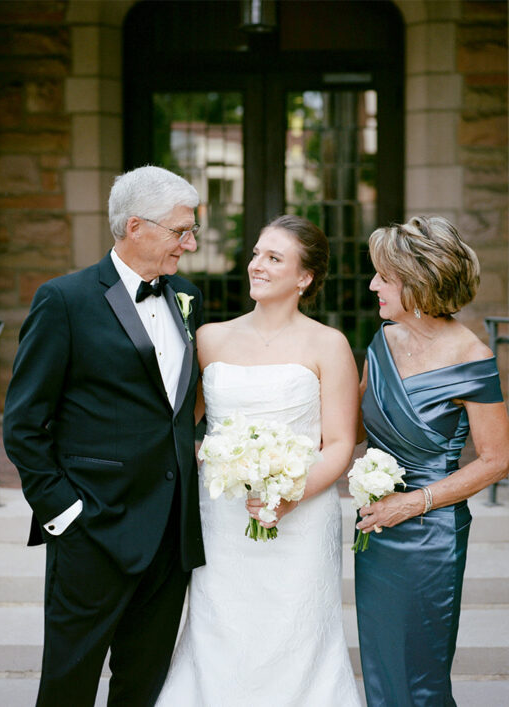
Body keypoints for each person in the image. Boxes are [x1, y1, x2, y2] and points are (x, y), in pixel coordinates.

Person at [3, 166, 205, 706]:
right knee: (68, 687)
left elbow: (182, 405)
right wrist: (64, 513)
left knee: (143, 686)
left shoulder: (187, 296)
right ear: (135, 226)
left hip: (171, 534)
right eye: (181, 231)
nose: (190, 243)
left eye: (191, 231)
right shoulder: (64, 299)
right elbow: (23, 423)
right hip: (92, 529)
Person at [158, 215, 360, 705]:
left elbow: (339, 443)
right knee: (222, 626)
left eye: (273, 258)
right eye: (255, 254)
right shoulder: (209, 338)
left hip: (302, 516)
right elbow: (180, 425)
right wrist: (206, 452)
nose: (257, 265)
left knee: (296, 630)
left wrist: (290, 494)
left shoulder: (329, 344)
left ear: (304, 277)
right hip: (223, 517)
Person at [355, 216, 509, 706]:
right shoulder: (383, 341)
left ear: (418, 282)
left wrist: (413, 503)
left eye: (384, 277)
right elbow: (354, 428)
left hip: (430, 534)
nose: (373, 285)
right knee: (382, 669)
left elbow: (497, 460)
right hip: (376, 529)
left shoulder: (472, 357)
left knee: (422, 679)